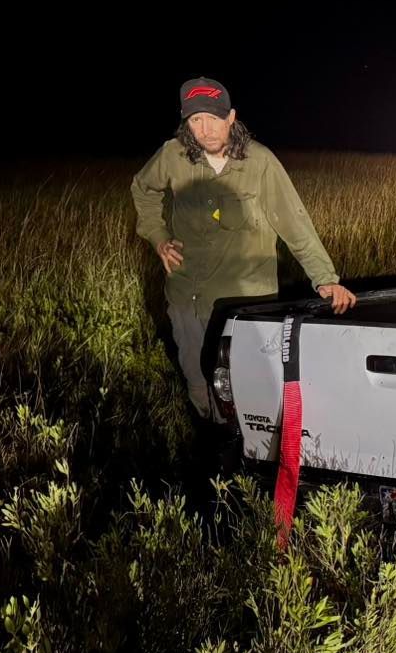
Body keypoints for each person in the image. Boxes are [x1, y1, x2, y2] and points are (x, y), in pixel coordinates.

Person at [131, 77, 356, 420]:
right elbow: (143, 189)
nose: (204, 129)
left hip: (241, 304)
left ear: (231, 117)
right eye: (195, 120)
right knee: (196, 379)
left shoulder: (260, 162)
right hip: (185, 294)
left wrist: (325, 278)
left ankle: (245, 461)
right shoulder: (173, 155)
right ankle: (213, 445)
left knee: (243, 391)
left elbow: (294, 223)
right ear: (185, 122)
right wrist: (159, 236)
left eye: (213, 118)